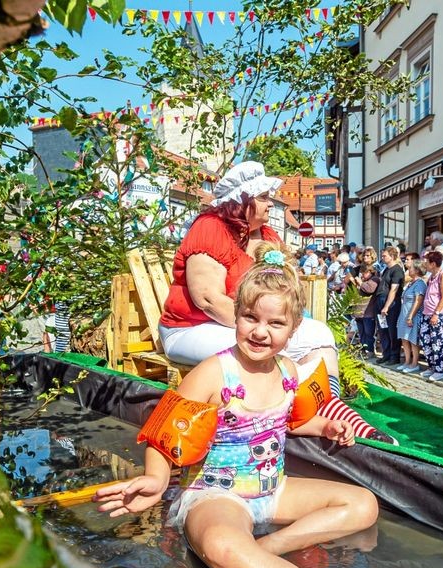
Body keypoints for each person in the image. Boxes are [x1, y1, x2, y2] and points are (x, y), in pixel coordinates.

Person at [95, 246, 426, 568]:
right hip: (217, 493)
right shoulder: (215, 373)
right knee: (221, 544)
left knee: (363, 504)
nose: (260, 331)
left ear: (292, 331)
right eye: (251, 318)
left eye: (275, 323)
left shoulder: (289, 371)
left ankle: (263, 553)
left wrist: (326, 428)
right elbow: (164, 436)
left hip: (272, 487)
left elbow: (293, 420)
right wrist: (158, 479)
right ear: (236, 317)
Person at [158, 161, 394, 443]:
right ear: (242, 201)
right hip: (192, 328)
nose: (270, 204)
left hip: (244, 323)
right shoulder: (211, 227)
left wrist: (277, 325)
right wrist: (269, 330)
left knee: (318, 333)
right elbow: (208, 299)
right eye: (263, 198)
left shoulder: (266, 235)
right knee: (265, 345)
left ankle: (328, 408)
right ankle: (312, 421)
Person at [419, 251, 443, 382]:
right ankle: (431, 366)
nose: (425, 264)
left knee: (437, 342)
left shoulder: (442, 275)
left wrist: (436, 313)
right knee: (426, 342)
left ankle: (440, 370)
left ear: (433, 263)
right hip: (426, 313)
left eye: (427, 262)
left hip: (436, 314)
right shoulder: (431, 276)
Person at [396, 260, 427, 373]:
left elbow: (418, 301)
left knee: (413, 340)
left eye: (411, 268)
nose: (409, 269)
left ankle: (414, 363)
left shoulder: (420, 283)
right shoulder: (410, 283)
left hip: (413, 315)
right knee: (405, 338)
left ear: (417, 270)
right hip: (404, 313)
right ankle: (407, 361)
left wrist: (411, 316)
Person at [375, 247, 405, 366]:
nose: (382, 258)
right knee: (383, 330)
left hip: (391, 302)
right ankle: (386, 354)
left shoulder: (397, 270)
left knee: (392, 330)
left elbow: (394, 290)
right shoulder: (386, 269)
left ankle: (394, 355)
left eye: (385, 256)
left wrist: (386, 306)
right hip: (380, 300)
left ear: (392, 256)